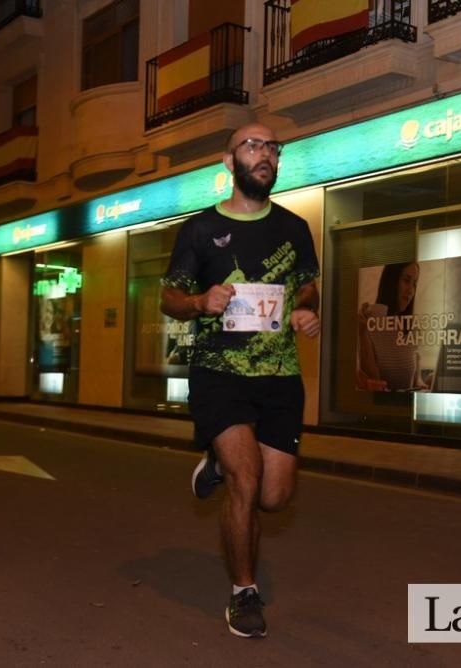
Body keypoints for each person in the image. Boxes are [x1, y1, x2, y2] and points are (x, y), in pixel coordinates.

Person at [160, 122, 320, 639]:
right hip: (219, 374)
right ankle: (243, 592)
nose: (265, 154)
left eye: (272, 147)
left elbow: (308, 289)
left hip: (280, 377)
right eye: (253, 146)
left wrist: (303, 312)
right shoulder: (201, 229)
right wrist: (199, 302)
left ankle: (214, 462)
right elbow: (170, 298)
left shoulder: (294, 228)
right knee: (245, 483)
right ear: (229, 163)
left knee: (274, 498)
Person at [356, 261, 428, 391]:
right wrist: (362, 332)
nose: (411, 290)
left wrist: (424, 384)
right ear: (391, 281)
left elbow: (416, 378)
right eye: (406, 281)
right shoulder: (370, 320)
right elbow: (374, 379)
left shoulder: (413, 326)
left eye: (414, 284)